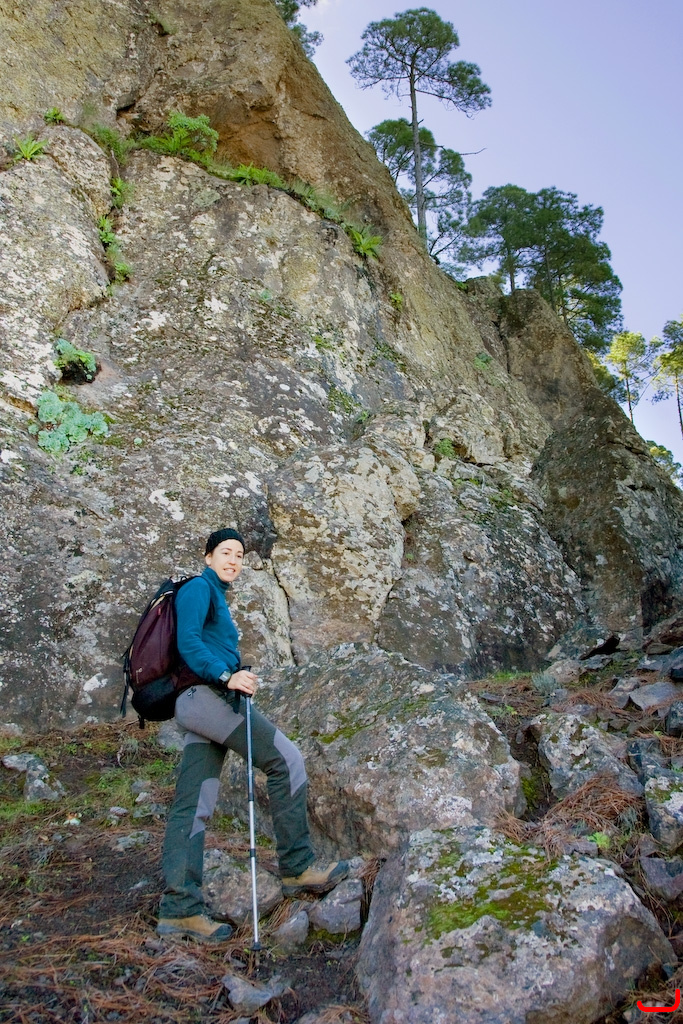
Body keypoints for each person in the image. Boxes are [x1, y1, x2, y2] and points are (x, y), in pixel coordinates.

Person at [157, 527, 347, 942]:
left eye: (240, 555)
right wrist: (226, 675)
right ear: (208, 556)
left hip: (200, 703)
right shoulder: (197, 589)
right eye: (226, 552)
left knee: (194, 803)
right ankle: (298, 867)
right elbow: (188, 643)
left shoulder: (214, 595)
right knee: (286, 760)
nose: (233, 560)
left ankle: (179, 910)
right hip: (208, 698)